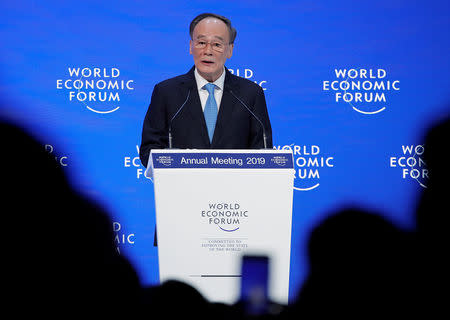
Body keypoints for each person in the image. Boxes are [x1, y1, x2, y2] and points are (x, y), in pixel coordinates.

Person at [139, 13, 272, 168]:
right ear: (190, 46)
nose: (208, 51)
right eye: (201, 42)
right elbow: (149, 150)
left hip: (236, 190)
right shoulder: (166, 92)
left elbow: (263, 151)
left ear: (230, 50)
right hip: (182, 189)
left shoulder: (250, 94)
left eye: (217, 44)